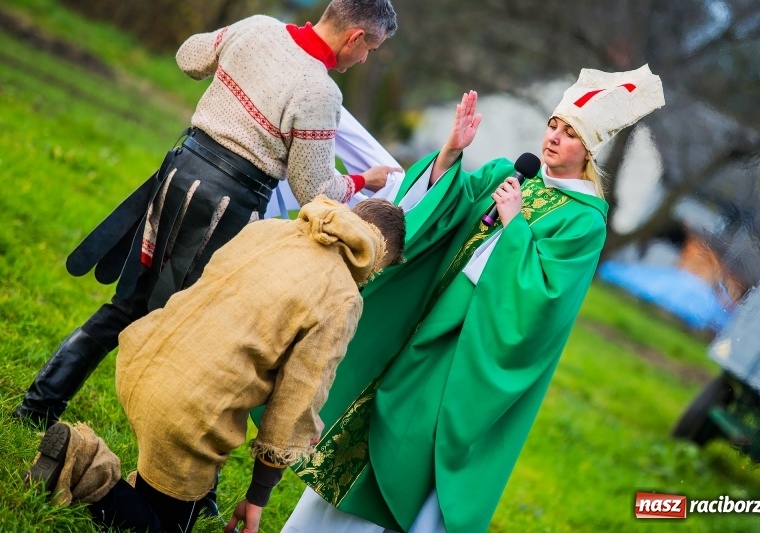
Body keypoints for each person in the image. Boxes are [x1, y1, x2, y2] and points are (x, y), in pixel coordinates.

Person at [277, 65, 665, 532]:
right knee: (369, 416)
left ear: (590, 150)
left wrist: (515, 224)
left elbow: (545, 300)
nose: (554, 138)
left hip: (465, 345)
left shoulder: (584, 223)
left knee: (411, 438)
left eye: (570, 134)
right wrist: (451, 151)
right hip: (422, 318)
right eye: (553, 126)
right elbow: (445, 209)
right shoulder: (512, 175)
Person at [14, 0, 400, 429]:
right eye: (370, 49)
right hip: (227, 209)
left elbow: (188, 57)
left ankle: (37, 406)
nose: (364, 59)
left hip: (178, 177)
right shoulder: (321, 93)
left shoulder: (258, 28)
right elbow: (315, 189)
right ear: (354, 37)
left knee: (128, 306)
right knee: (198, 330)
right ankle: (174, 451)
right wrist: (363, 180)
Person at [23, 196, 407, 533]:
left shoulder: (273, 229)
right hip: (188, 410)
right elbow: (296, 403)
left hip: (144, 356)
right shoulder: (342, 296)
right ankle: (83, 461)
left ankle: (137, 484)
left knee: (162, 501)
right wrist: (258, 495)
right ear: (379, 257)